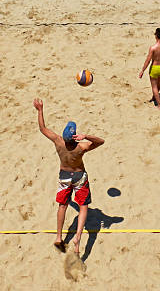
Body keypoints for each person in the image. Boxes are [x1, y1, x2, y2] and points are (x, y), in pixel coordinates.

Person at [33, 98, 104, 255]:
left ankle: (59, 238)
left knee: (63, 205)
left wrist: (40, 110)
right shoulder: (81, 146)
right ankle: (78, 237)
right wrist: (86, 136)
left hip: (64, 176)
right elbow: (100, 141)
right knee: (83, 206)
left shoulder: (58, 141)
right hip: (79, 176)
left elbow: (42, 128)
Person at [138, 28, 160, 110]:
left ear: (156, 35)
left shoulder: (153, 47)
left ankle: (159, 105)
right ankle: (154, 97)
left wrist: (142, 70)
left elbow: (148, 60)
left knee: (154, 87)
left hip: (154, 67)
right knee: (158, 85)